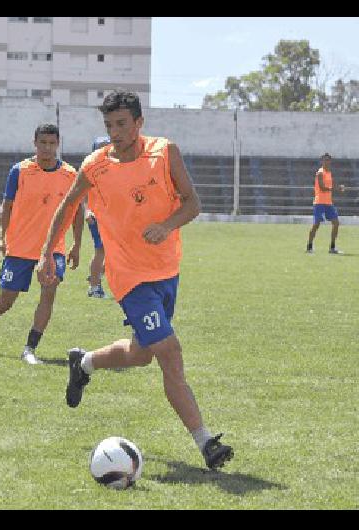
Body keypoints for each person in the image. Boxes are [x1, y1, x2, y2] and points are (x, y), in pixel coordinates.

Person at [36, 90, 234, 470]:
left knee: (144, 354)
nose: (115, 132)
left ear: (139, 123)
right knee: (170, 353)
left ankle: (85, 363)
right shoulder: (95, 165)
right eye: (109, 125)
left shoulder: (165, 153)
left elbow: (192, 203)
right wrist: (48, 252)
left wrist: (166, 225)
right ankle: (206, 442)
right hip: (129, 277)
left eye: (122, 124)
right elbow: (67, 206)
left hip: (166, 271)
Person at [0, 123, 84, 365]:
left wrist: (76, 245)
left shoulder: (71, 175)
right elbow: (6, 207)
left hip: (53, 250)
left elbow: (77, 211)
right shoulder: (19, 171)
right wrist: (0, 238)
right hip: (19, 248)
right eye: (43, 143)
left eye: (52, 143)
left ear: (58, 144)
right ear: (35, 143)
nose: (47, 148)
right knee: (5, 302)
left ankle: (29, 349)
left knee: (49, 293)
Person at [86, 136, 111, 299]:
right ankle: (94, 287)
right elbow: (82, 194)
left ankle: (94, 276)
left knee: (113, 253)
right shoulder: (91, 169)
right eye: (101, 147)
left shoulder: (114, 168)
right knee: (101, 251)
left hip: (112, 218)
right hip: (97, 217)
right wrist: (87, 211)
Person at [306, 153, 346, 254]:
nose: (326, 162)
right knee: (316, 224)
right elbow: (322, 187)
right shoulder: (320, 172)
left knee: (336, 223)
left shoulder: (329, 173)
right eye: (325, 160)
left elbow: (330, 185)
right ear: (322, 161)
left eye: (328, 160)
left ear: (330, 161)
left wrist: (338, 187)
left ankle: (332, 248)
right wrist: (336, 188)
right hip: (319, 202)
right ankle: (309, 247)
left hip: (328, 203)